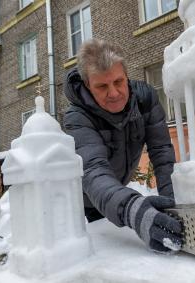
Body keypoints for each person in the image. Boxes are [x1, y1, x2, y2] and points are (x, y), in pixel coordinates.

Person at [63, 39, 182, 253]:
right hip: (84, 201)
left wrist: (174, 204)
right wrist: (133, 209)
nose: (114, 93)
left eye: (119, 82)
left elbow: (162, 152)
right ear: (88, 86)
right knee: (99, 252)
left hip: (116, 192)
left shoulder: (145, 98)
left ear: (126, 76)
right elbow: (93, 171)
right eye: (102, 86)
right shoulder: (77, 117)